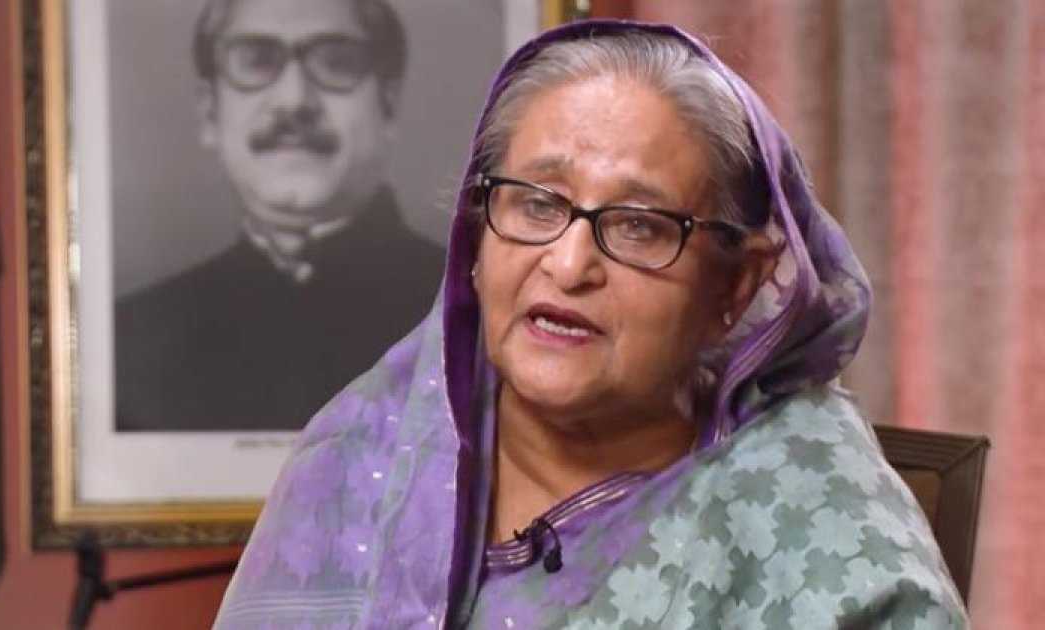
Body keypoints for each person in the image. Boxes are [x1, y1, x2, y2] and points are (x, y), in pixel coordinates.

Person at [213, 20, 968, 629]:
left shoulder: (807, 515)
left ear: (734, 285)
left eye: (639, 225)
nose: (570, 264)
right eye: (536, 204)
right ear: (475, 237)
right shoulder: (363, 457)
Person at [115, 0, 443, 431]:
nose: (294, 100)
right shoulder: (127, 342)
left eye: (336, 62)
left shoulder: (470, 318)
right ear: (209, 111)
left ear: (389, 105)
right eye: (255, 60)